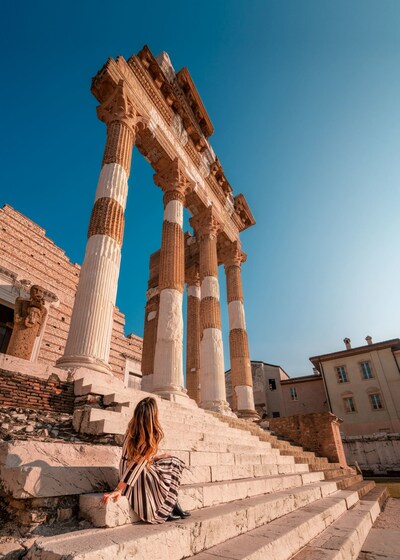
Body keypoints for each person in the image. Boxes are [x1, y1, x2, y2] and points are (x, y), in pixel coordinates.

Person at [102, 396, 190, 523]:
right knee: (170, 466)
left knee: (172, 460)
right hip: (132, 476)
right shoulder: (143, 434)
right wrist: (118, 489)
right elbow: (135, 465)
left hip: (131, 469)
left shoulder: (132, 428)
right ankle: (167, 508)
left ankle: (173, 504)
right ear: (153, 416)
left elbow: (139, 460)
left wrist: (156, 457)